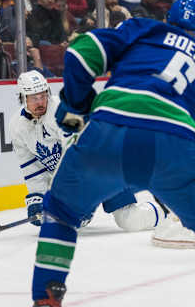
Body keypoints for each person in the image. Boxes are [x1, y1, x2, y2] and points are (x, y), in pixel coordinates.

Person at [29, 0, 195, 307]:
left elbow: (81, 53)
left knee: (62, 215)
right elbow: (194, 127)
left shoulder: (145, 29)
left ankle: (46, 294)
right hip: (175, 148)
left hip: (109, 134)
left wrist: (75, 105)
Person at [9, 70, 166, 231]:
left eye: (43, 95)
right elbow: (32, 170)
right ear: (22, 97)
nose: (41, 102)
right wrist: (37, 200)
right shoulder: (16, 127)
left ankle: (168, 211)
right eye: (34, 98)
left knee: (130, 220)